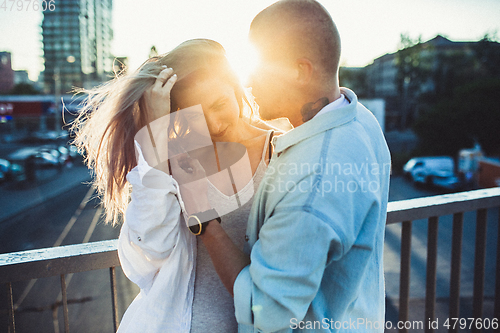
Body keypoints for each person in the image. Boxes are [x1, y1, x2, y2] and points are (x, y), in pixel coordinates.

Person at [190, 1, 392, 332]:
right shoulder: (361, 120)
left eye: (260, 65)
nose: (248, 79)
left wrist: (206, 222)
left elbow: (264, 312)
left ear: (300, 70)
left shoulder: (314, 177)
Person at [71, 39, 281, 332]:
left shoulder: (282, 149)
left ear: (236, 86)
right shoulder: (177, 155)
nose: (214, 125)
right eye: (196, 115)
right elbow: (154, 246)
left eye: (220, 105)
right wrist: (156, 130)